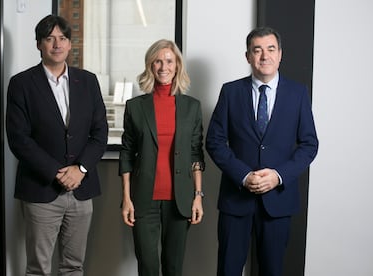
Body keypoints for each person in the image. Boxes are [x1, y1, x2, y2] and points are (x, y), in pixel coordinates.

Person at [206, 27, 319, 276]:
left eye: (270, 49)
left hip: (279, 201)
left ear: (280, 54)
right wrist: (244, 175)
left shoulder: (298, 94)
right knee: (228, 269)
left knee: (272, 270)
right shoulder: (230, 91)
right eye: (257, 50)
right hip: (236, 199)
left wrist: (278, 175)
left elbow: (309, 144)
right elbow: (214, 141)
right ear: (248, 56)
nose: (264, 56)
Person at [6, 15, 108, 276]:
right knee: (38, 268)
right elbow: (19, 139)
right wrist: (58, 172)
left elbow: (100, 133)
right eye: (49, 39)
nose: (56, 44)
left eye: (62, 38)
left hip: (81, 189)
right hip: (41, 189)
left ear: (70, 44)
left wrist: (80, 169)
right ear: (39, 44)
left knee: (74, 266)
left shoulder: (87, 81)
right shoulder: (21, 84)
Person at [119, 39, 205, 276]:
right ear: (150, 65)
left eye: (169, 61)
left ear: (177, 65)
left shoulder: (192, 107)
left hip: (180, 199)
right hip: (143, 199)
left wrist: (198, 196)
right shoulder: (135, 107)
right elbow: (127, 153)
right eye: (157, 61)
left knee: (173, 267)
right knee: (147, 266)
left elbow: (196, 154)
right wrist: (126, 198)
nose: (163, 66)